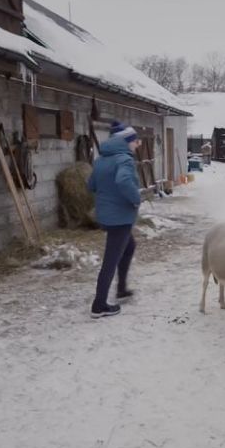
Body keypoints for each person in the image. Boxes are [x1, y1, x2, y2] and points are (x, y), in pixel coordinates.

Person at [87, 121, 142, 318]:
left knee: (129, 246)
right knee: (111, 260)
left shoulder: (101, 160)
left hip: (107, 216)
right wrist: (136, 199)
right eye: (135, 141)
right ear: (126, 141)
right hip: (120, 218)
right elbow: (123, 181)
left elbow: (91, 185)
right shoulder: (124, 160)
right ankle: (99, 305)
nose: (137, 144)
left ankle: (122, 288)